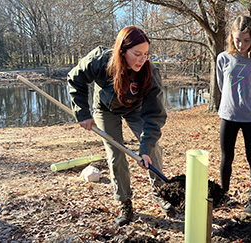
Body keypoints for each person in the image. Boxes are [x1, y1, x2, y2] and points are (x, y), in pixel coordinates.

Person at [67, 26, 175, 226]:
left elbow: (154, 115)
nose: (142, 60)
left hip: (135, 108)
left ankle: (160, 192)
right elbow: (75, 79)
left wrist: (144, 148)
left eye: (146, 54)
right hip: (105, 109)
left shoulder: (150, 73)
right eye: (137, 54)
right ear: (122, 51)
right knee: (116, 155)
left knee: (153, 149)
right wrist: (82, 113)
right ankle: (125, 202)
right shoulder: (100, 60)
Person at [216, 16, 251, 213]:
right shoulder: (223, 58)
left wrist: (250, 104)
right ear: (231, 37)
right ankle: (224, 195)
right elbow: (222, 86)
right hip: (228, 115)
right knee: (226, 157)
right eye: (238, 39)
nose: (241, 44)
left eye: (247, 40)